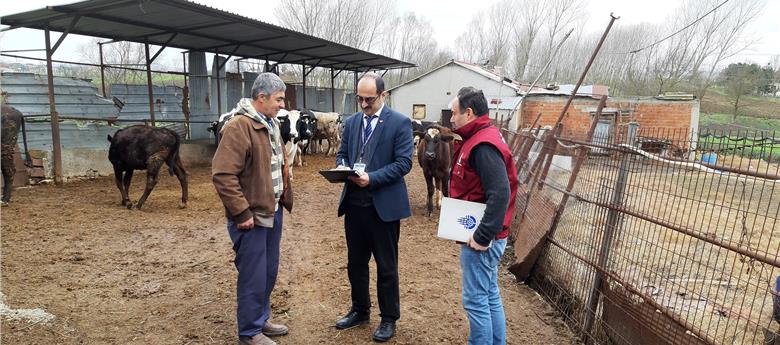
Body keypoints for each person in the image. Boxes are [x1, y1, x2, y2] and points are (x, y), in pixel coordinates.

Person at [212, 72, 293, 345]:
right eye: (279, 99)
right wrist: (241, 213)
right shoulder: (239, 126)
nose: (283, 104)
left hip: (272, 211)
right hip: (251, 216)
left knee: (268, 270)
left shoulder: (269, 123)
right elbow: (223, 175)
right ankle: (249, 332)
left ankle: (260, 318)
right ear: (261, 98)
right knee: (253, 274)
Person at [333, 72, 414, 342]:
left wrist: (373, 178)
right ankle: (360, 309)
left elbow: (404, 164)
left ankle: (389, 318)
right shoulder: (353, 122)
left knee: (386, 266)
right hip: (354, 205)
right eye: (360, 99)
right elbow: (342, 152)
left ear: (383, 95)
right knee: (356, 262)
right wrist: (342, 166)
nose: (364, 104)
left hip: (383, 208)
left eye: (369, 99)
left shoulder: (400, 124)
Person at [449, 87, 519, 345]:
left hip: (482, 239)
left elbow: (500, 194)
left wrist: (482, 236)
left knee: (476, 300)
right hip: (489, 234)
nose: (451, 119)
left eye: (454, 113)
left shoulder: (483, 145)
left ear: (469, 112)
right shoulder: (481, 137)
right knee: (489, 294)